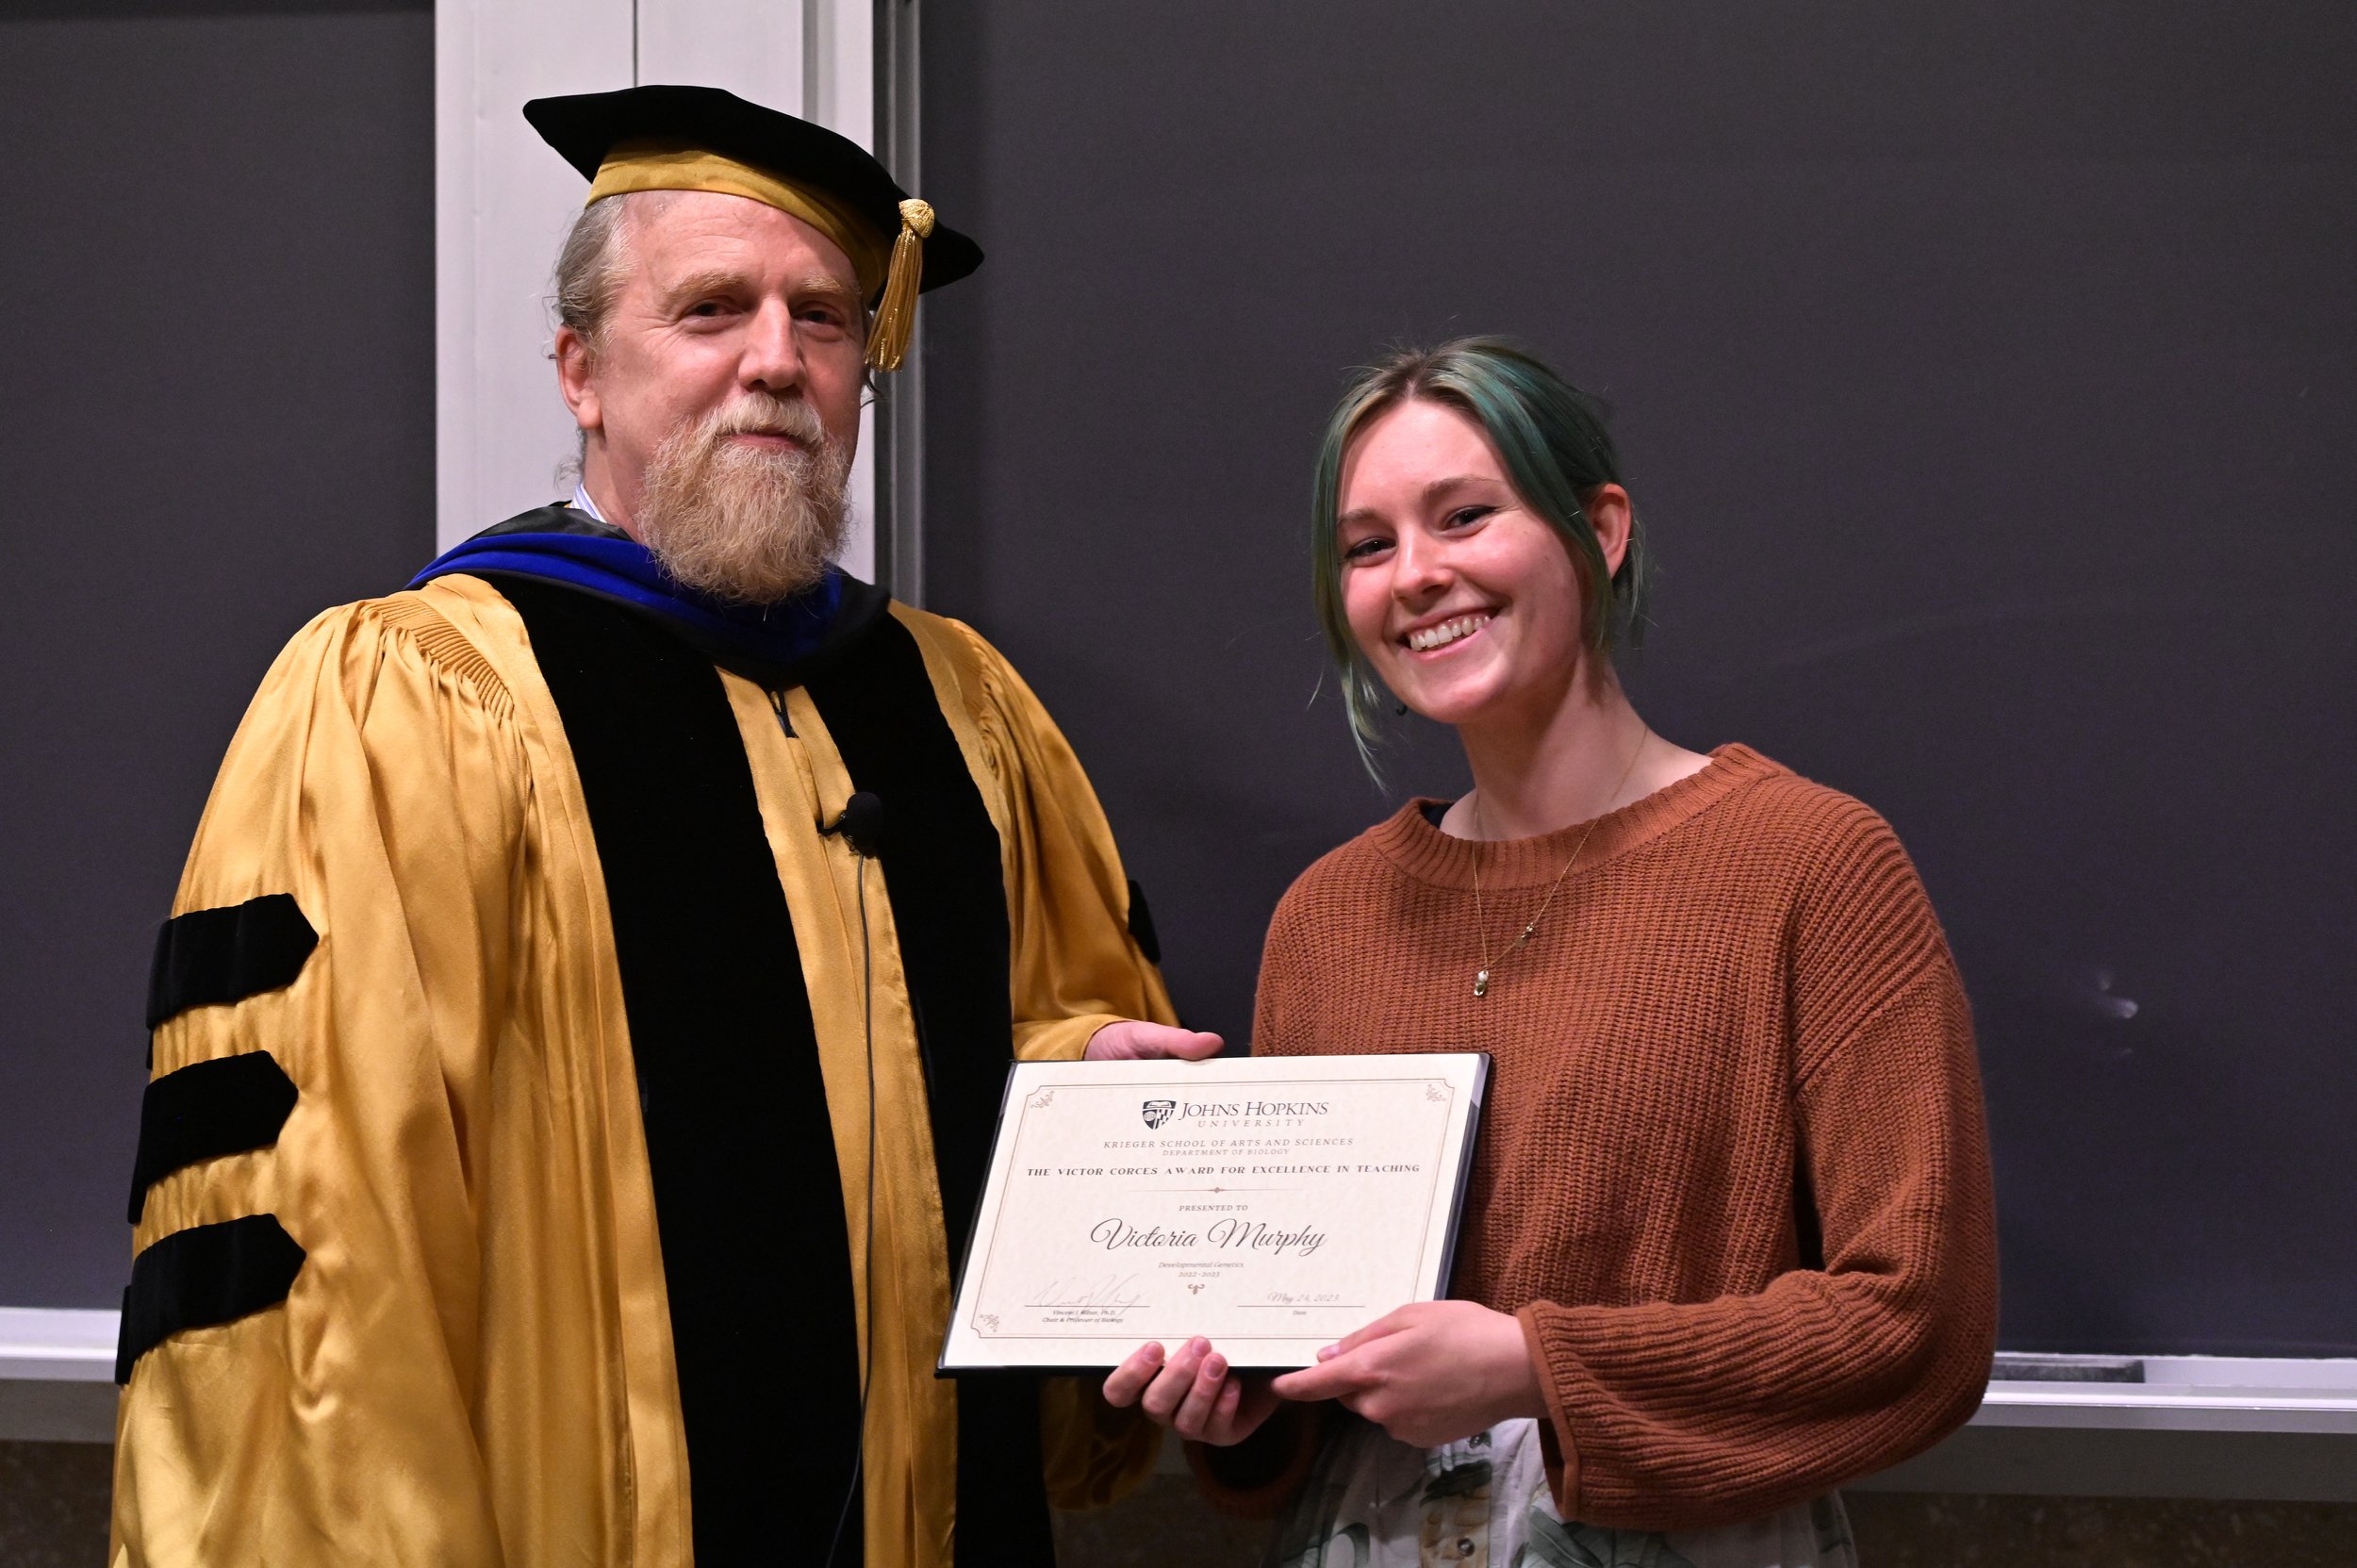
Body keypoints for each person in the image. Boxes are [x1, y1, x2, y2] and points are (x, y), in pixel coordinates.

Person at [111, 84, 1217, 1568]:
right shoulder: (409, 698)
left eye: (824, 319)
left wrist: (1080, 1092)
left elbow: (1028, 1026)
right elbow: (315, 1225)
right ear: (581, 369)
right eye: (711, 310)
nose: (776, 360)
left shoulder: (961, 704)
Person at [1104, 338, 1998, 1566]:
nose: (1417, 575)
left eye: (1465, 516)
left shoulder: (1811, 867)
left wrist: (1538, 1367)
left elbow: (1918, 1324)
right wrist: (1247, 1403)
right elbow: (1310, 1381)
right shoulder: (1326, 919)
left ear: (1601, 532)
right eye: (1366, 546)